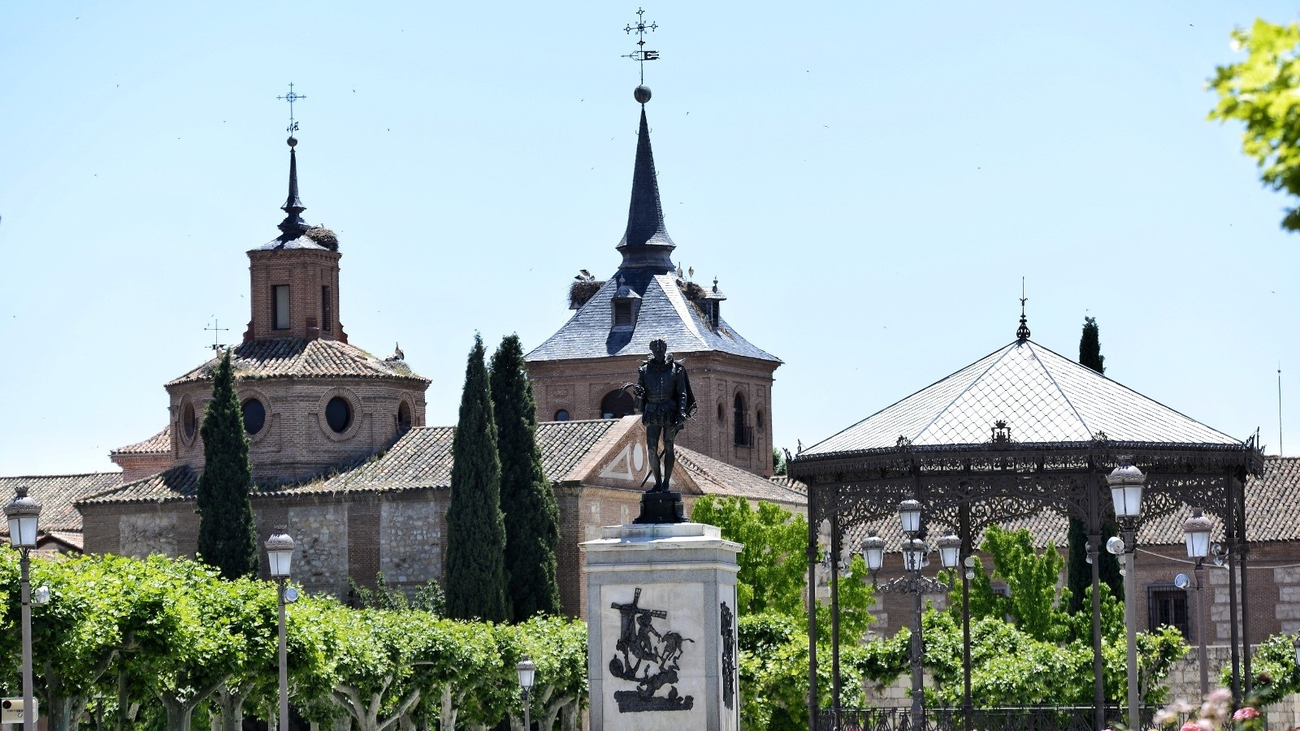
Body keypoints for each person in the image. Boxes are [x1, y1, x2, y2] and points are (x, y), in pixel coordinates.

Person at [633, 339, 696, 492]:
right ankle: (658, 483)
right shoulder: (644, 370)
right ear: (652, 352)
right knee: (652, 449)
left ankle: (666, 483)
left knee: (669, 446)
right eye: (656, 350)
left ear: (665, 350)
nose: (659, 353)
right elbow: (640, 393)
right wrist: (639, 393)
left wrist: (681, 411)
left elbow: (682, 393)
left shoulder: (676, 369)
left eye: (661, 350)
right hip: (652, 410)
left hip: (670, 410)